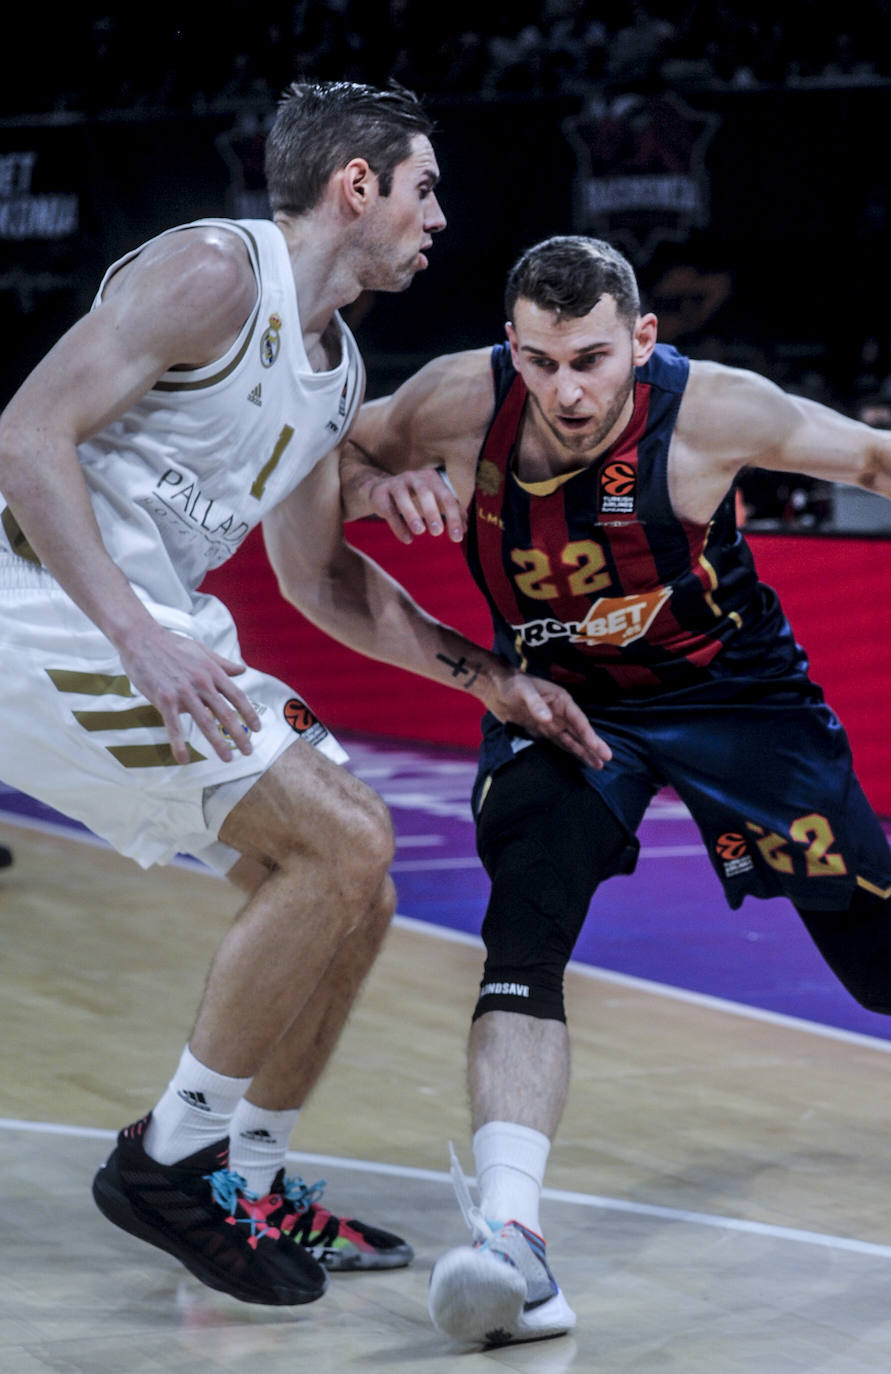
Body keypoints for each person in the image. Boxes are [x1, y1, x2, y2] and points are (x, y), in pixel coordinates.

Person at [339, 236, 891, 1346]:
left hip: (736, 700)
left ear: (642, 339)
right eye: (540, 362)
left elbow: (873, 458)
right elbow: (330, 455)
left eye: (590, 360)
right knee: (523, 925)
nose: (565, 391)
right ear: (511, 347)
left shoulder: (714, 411)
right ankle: (513, 1244)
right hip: (565, 701)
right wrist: (373, 482)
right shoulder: (454, 401)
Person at [0, 88, 608, 1308]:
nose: (438, 217)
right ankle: (170, 1162)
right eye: (423, 188)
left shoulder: (336, 370)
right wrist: (137, 636)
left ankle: (251, 1180)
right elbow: (23, 437)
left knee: (356, 889)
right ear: (355, 187)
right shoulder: (214, 273)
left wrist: (492, 680)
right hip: (43, 610)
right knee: (343, 840)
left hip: (151, 622)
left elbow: (317, 578)